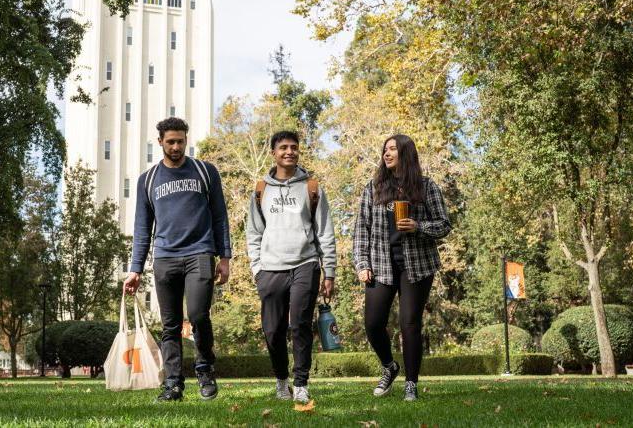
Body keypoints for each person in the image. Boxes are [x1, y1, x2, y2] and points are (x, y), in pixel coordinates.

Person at [124, 117, 231, 402]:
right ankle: (173, 383)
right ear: (159, 142)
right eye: (170, 141)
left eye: (180, 141)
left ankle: (205, 371)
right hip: (165, 258)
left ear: (186, 140)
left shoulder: (205, 171)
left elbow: (220, 216)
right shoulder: (147, 180)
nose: (175, 146)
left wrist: (225, 257)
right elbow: (142, 227)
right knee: (170, 324)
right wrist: (135, 269)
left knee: (198, 316)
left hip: (200, 252)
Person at [353, 134, 451, 401]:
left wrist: (418, 227)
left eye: (393, 149)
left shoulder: (426, 187)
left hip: (416, 266)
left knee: (410, 324)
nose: (387, 154)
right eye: (385, 149)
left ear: (405, 154)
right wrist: (362, 263)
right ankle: (389, 367)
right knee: (373, 324)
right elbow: (362, 229)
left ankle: (411, 383)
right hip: (381, 265)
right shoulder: (372, 188)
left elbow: (444, 224)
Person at [246, 130, 336, 403]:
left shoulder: (312, 187)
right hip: (270, 268)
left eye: (294, 147)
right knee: (272, 330)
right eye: (283, 147)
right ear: (273, 152)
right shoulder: (261, 189)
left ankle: (300, 383)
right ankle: (281, 380)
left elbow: (325, 231)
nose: (289, 151)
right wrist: (256, 269)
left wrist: (329, 270)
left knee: (299, 325)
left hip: (305, 264)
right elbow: (253, 232)